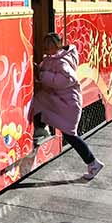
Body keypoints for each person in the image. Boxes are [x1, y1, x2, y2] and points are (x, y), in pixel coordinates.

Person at [31, 31, 103, 180]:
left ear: (57, 45)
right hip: (60, 101)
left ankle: (93, 162)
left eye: (50, 45)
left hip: (68, 104)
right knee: (37, 104)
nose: (46, 48)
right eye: (46, 45)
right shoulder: (55, 58)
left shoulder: (62, 61)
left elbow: (67, 79)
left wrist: (42, 75)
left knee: (70, 134)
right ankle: (41, 129)